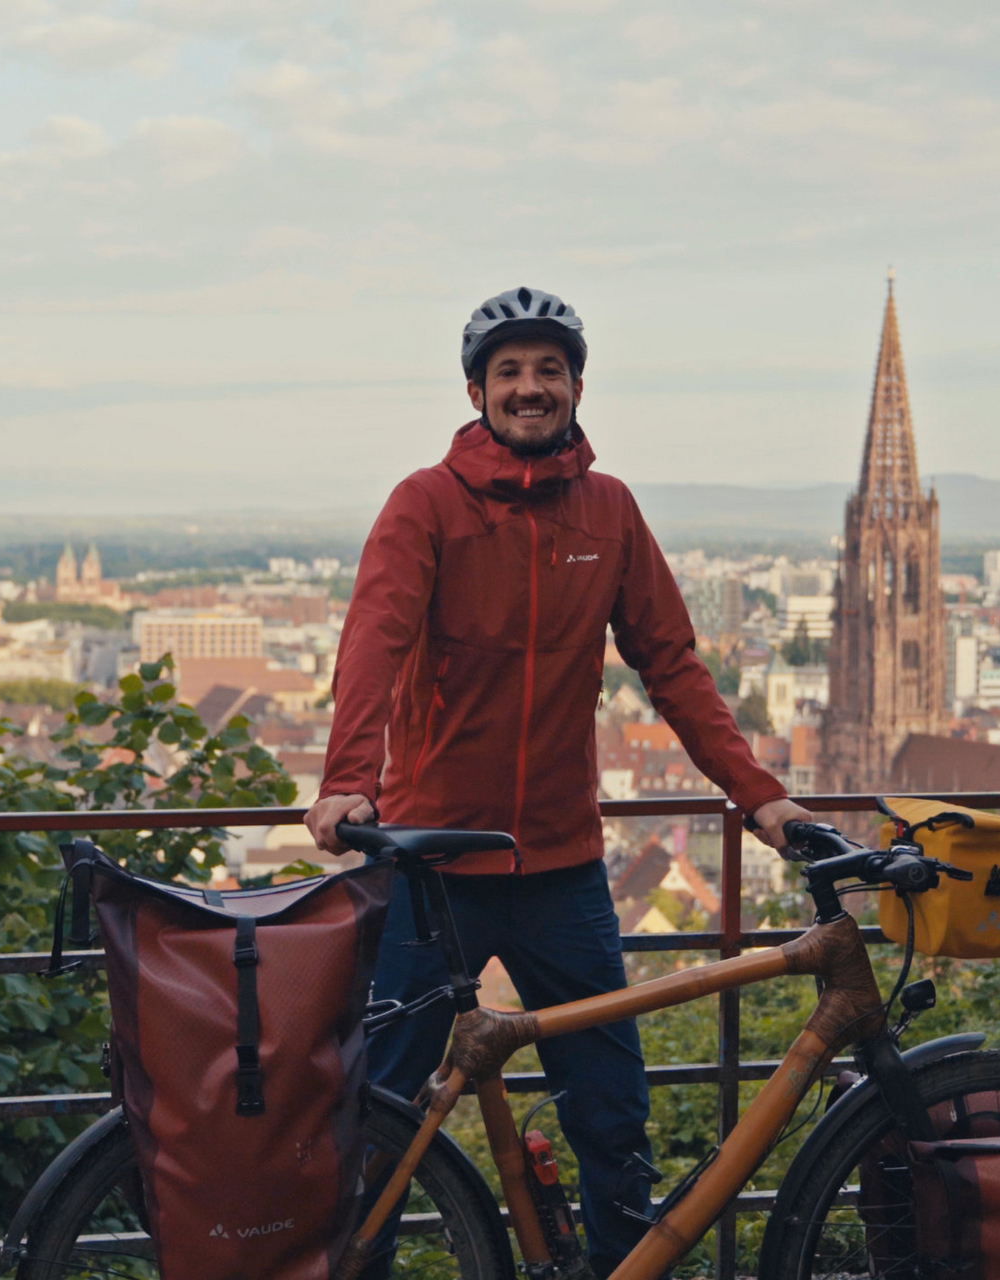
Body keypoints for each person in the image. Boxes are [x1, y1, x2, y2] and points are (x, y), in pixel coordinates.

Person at [306, 286, 813, 1277]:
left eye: (549, 369)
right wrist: (347, 780)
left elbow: (671, 665)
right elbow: (376, 640)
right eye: (509, 371)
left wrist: (760, 796)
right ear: (476, 391)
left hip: (560, 867)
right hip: (432, 864)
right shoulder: (426, 502)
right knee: (378, 1116)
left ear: (577, 387)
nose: (530, 387)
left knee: (611, 1108)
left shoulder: (608, 509)